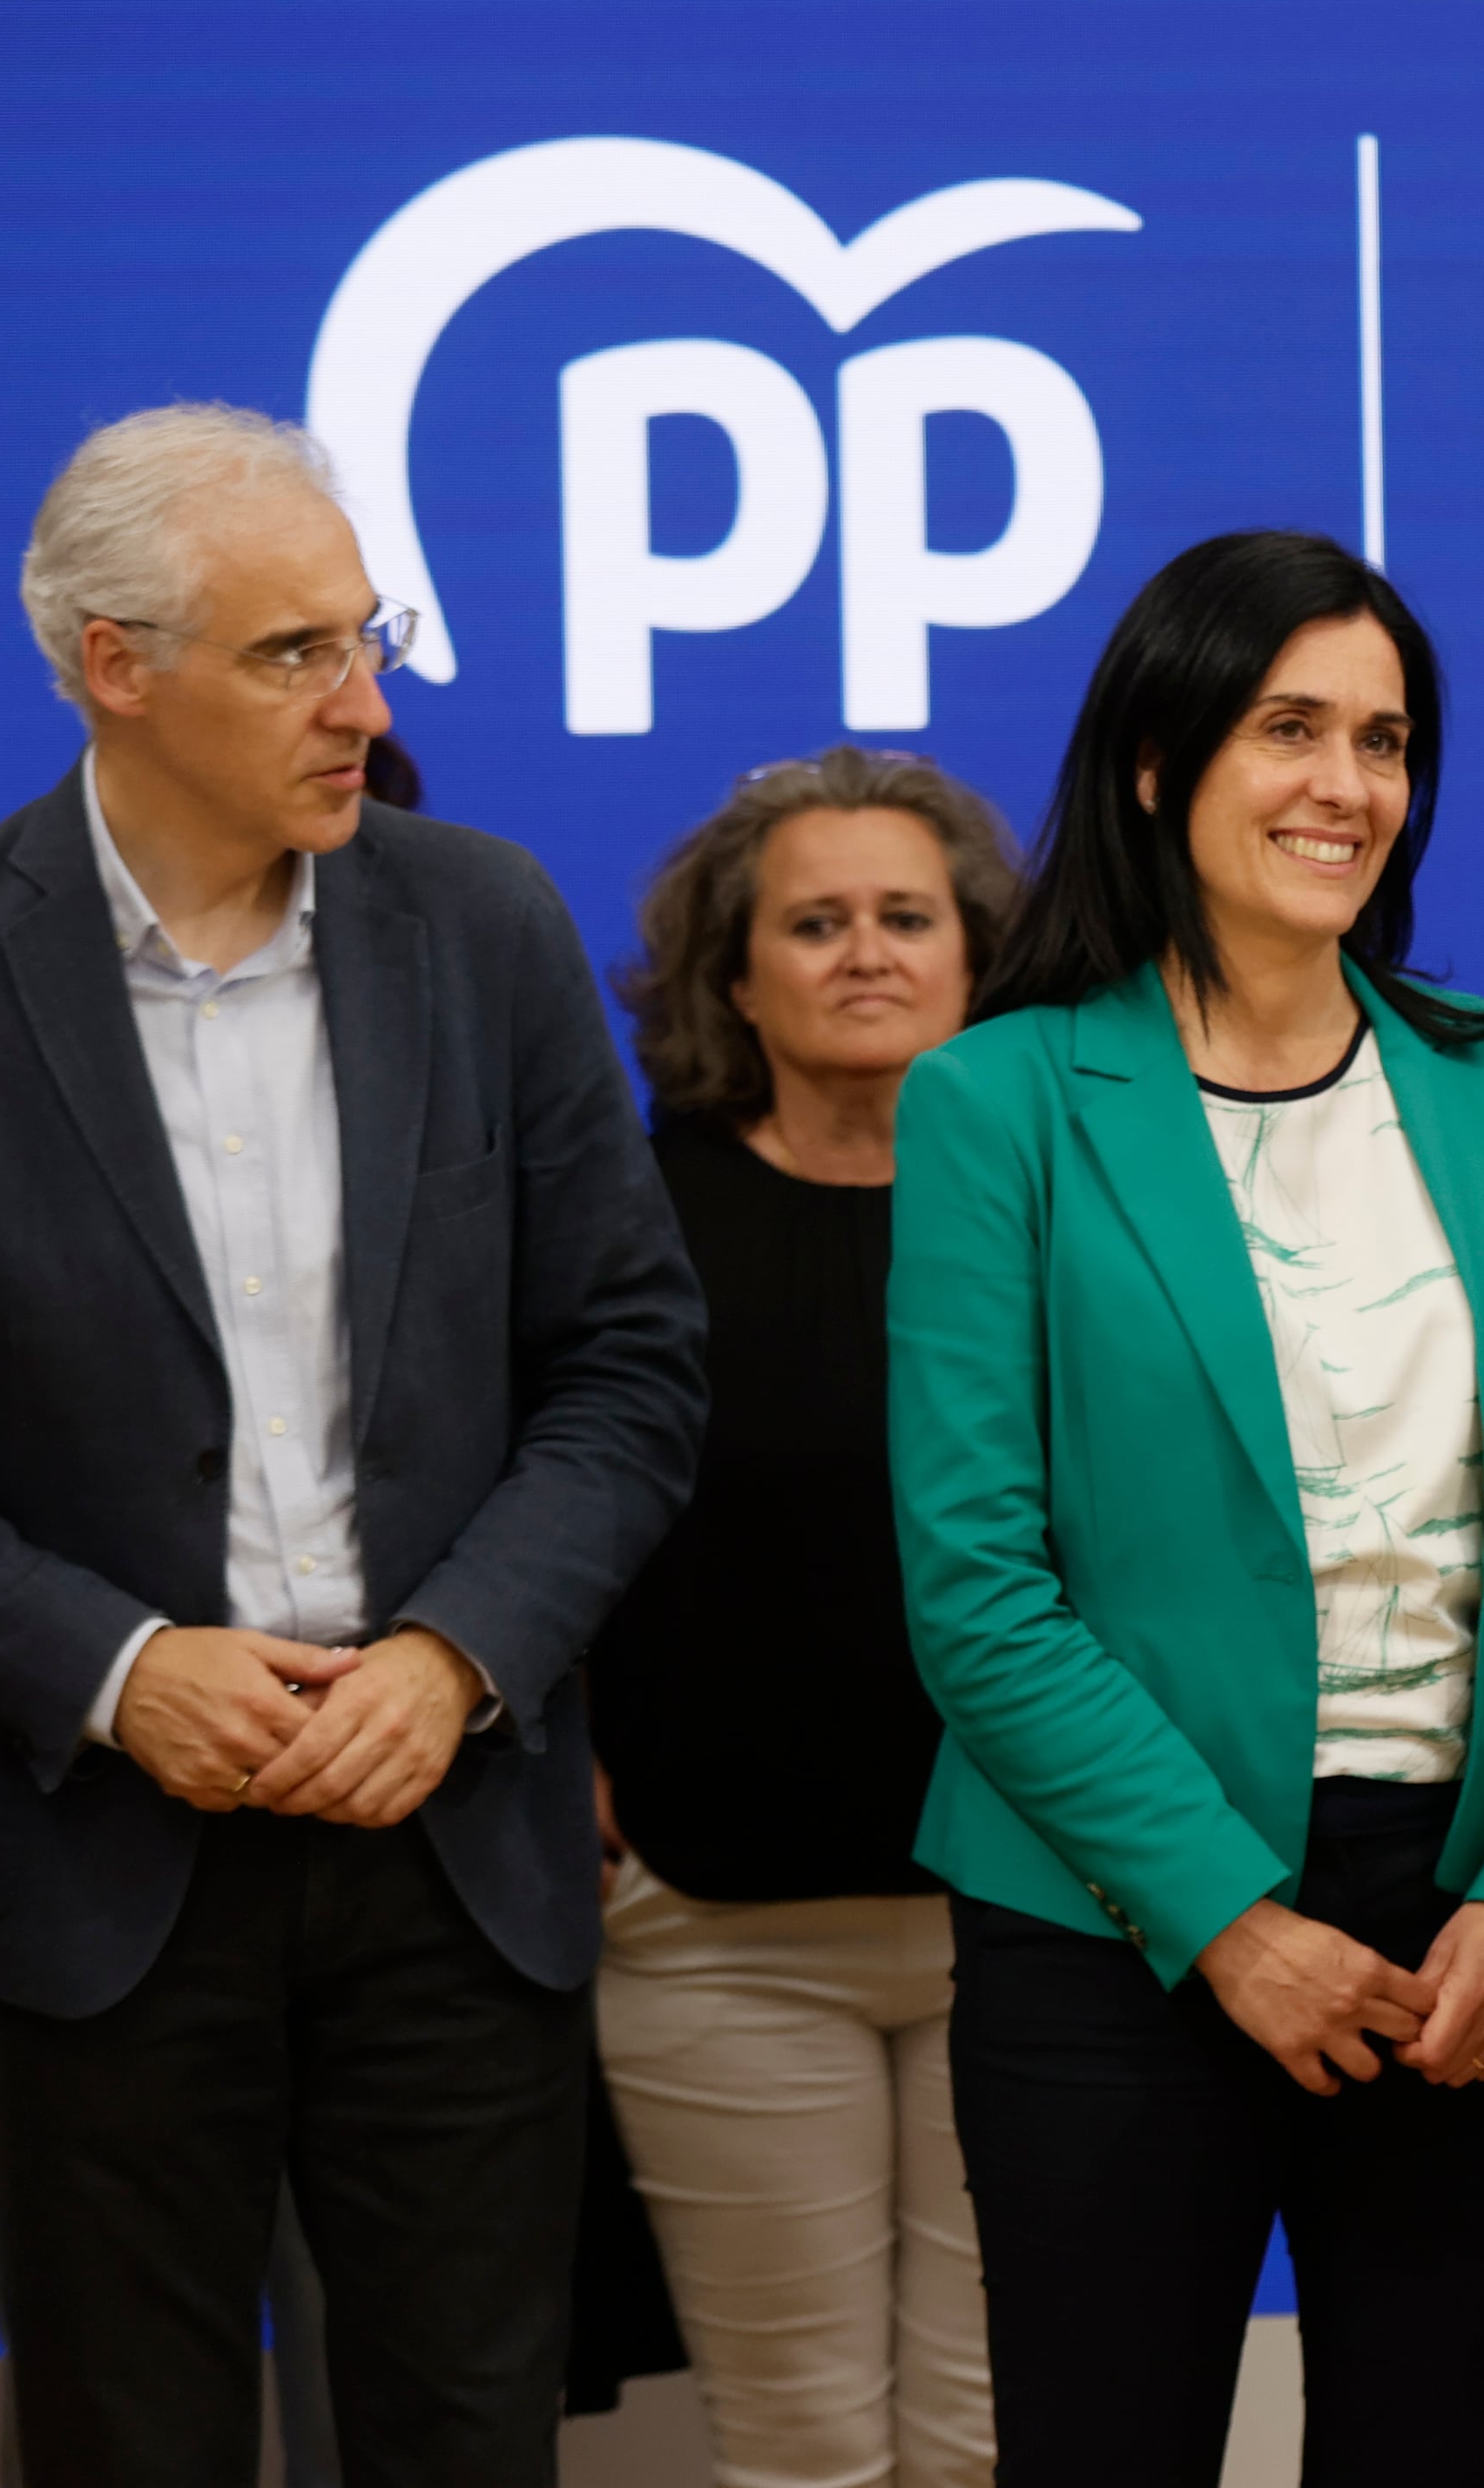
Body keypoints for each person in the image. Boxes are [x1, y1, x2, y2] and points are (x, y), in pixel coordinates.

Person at [889, 530, 1484, 2486]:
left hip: (1466, 1927)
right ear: (1160, 761)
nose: (1347, 784)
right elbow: (980, 1586)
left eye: (1385, 739)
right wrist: (1231, 1918)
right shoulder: (1002, 1102)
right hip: (1113, 1924)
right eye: (1289, 727)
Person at [0, 402, 707, 2484]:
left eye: (364, 637)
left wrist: (458, 1652)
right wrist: (117, 1671)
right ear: (116, 664)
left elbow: (635, 1363)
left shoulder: (479, 925)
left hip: (449, 1836)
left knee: (469, 2445)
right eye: (296, 652)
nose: (366, 702)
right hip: (92, 1857)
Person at [592, 748, 1027, 2487]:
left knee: (999, 2441)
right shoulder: (629, 1215)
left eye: (906, 915)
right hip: (719, 1933)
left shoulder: (1062, 1200)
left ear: (975, 956)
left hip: (1029, 1930)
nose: (866, 950)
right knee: (801, 2454)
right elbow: (529, 1501)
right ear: (734, 973)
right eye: (816, 919)